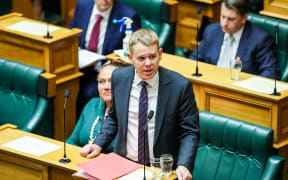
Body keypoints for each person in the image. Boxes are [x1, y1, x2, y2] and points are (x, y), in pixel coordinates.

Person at [79, 29, 200, 180]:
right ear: (130, 58)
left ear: (160, 54)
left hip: (160, 170)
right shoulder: (119, 78)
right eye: (141, 58)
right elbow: (114, 117)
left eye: (152, 57)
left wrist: (184, 164)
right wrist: (98, 144)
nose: (148, 63)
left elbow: (189, 131)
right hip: (123, 164)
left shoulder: (179, 86)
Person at [68, 0, 141, 118]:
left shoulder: (128, 16)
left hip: (102, 72)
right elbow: (71, 31)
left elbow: (133, 52)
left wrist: (110, 64)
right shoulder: (82, 5)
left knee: (87, 94)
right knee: (62, 89)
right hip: (78, 66)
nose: (105, 0)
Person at [189, 0, 280, 80]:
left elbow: (271, 73)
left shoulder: (260, 39)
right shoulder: (211, 31)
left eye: (230, 19)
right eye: (223, 17)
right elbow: (195, 59)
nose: (224, 23)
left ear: (244, 18)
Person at [66, 62, 123, 152]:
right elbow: (73, 140)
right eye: (102, 82)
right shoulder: (92, 104)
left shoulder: (130, 114)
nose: (106, 87)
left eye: (112, 81)